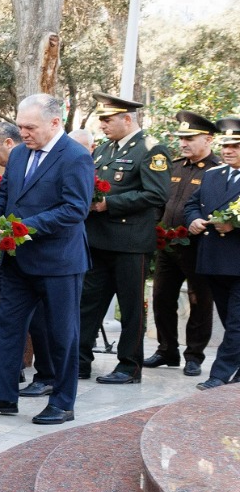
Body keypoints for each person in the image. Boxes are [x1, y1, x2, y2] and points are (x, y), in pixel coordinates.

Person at [0, 93, 94, 424]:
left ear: (55, 123)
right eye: (20, 126)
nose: (24, 133)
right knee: (8, 326)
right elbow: (4, 196)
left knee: (62, 335)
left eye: (30, 127)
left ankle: (62, 402)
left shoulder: (75, 157)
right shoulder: (19, 155)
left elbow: (75, 209)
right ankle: (3, 395)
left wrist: (22, 228)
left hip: (58, 263)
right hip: (17, 260)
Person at [77, 94, 171, 384]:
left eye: (108, 119)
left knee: (130, 308)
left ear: (127, 119)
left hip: (129, 243)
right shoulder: (104, 149)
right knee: (87, 304)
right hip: (98, 239)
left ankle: (129, 367)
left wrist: (110, 204)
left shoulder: (151, 150)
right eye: (102, 119)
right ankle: (79, 362)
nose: (102, 124)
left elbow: (156, 194)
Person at [0, 121, 55, 396]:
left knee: (39, 317)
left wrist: (12, 228)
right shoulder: (17, 163)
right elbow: (2, 198)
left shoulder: (51, 160)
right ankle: (10, 370)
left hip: (42, 253)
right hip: (13, 254)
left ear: (9, 143)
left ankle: (47, 375)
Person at [146, 111, 220, 377]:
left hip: (199, 247)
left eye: (190, 138)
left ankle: (194, 355)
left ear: (208, 139)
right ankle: (167, 350)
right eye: (181, 138)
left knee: (200, 300)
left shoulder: (217, 170)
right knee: (161, 297)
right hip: (167, 245)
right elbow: (160, 202)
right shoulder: (175, 166)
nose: (183, 143)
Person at [184, 116, 240, 391]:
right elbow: (193, 204)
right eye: (226, 145)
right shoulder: (213, 174)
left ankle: (219, 373)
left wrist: (235, 225)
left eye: (236, 146)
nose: (228, 150)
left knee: (237, 322)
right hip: (215, 260)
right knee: (232, 319)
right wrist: (193, 219)